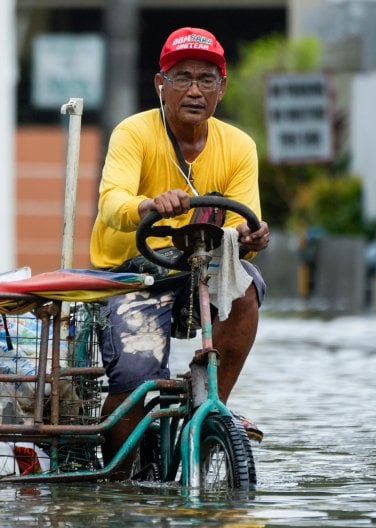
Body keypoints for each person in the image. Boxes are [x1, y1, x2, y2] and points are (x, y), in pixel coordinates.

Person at [92, 26, 272, 469]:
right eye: (183, 77)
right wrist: (148, 205)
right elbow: (112, 202)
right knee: (135, 377)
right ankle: (119, 482)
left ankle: (210, 405)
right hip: (131, 272)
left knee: (245, 285)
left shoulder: (239, 146)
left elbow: (240, 224)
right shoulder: (133, 133)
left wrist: (251, 240)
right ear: (161, 85)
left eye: (206, 80)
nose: (195, 90)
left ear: (222, 88)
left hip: (199, 270)